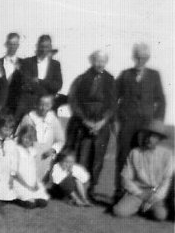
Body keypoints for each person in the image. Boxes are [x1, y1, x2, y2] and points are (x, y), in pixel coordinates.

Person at [114, 43, 166, 199]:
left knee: (142, 159)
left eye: (143, 58)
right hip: (127, 124)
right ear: (133, 56)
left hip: (146, 126)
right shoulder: (125, 74)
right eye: (137, 56)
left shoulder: (154, 75)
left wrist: (157, 126)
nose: (140, 60)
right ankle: (119, 193)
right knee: (123, 157)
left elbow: (161, 101)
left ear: (147, 58)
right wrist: (116, 121)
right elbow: (113, 98)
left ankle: (136, 196)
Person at [67, 50, 117, 198]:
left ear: (106, 62)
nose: (99, 64)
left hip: (102, 124)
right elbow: (73, 100)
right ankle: (78, 186)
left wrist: (102, 122)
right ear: (92, 61)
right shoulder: (82, 79)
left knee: (98, 158)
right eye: (97, 61)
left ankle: (92, 189)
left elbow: (113, 104)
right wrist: (85, 121)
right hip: (84, 123)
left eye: (102, 61)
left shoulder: (110, 80)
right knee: (83, 155)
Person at [112, 120, 173, 221]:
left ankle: (146, 208)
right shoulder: (135, 153)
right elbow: (125, 178)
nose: (149, 139)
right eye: (148, 135)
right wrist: (139, 193)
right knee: (118, 211)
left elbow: (167, 180)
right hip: (138, 191)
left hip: (155, 193)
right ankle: (137, 205)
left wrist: (157, 196)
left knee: (161, 216)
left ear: (160, 139)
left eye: (154, 137)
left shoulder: (167, 155)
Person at [9, 34, 63, 121]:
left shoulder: (55, 64)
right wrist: (45, 88)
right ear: (37, 46)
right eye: (41, 46)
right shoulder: (27, 62)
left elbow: (58, 85)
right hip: (28, 103)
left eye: (46, 47)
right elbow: (27, 82)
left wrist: (40, 81)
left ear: (50, 47)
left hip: (46, 105)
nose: (44, 49)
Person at [18, 93, 65, 181]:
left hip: (44, 160)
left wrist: (53, 149)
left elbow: (61, 140)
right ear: (36, 104)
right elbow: (19, 137)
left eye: (47, 105)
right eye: (41, 104)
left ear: (51, 105)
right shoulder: (28, 118)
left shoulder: (53, 120)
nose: (43, 108)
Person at [10, 124, 49, 208]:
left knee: (43, 202)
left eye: (30, 139)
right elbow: (15, 172)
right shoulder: (17, 150)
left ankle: (34, 197)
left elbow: (33, 169)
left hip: (31, 181)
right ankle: (18, 199)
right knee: (30, 204)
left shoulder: (32, 151)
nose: (27, 140)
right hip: (20, 181)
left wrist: (35, 183)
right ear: (21, 137)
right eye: (25, 138)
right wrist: (26, 185)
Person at [0, 114, 17, 202]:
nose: (7, 132)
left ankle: (3, 197)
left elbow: (13, 159)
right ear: (0, 126)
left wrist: (13, 173)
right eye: (5, 128)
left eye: (10, 129)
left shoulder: (12, 142)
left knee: (5, 186)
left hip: (6, 169)